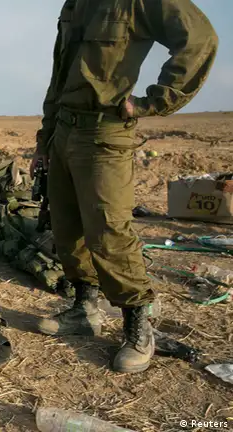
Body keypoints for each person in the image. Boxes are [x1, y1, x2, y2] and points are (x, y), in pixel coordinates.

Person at [31, 0, 218, 373]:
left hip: (105, 133)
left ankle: (138, 325)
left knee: (109, 231)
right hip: (64, 131)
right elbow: (59, 75)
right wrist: (44, 140)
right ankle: (85, 309)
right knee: (68, 228)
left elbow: (200, 38)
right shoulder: (75, 4)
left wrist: (153, 102)